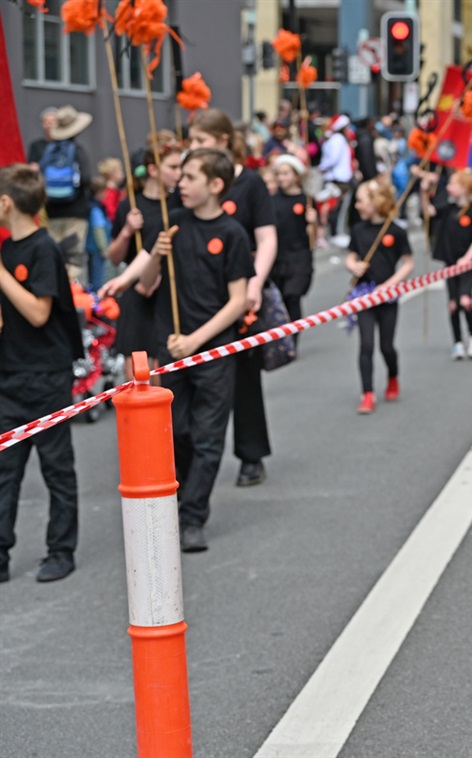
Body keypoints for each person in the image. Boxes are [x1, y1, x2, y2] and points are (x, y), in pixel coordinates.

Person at [135, 149, 253, 553]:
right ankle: (184, 497)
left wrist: (197, 340)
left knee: (208, 436)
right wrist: (156, 254)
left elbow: (238, 301)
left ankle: (191, 517)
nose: (179, 184)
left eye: (189, 177)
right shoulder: (174, 225)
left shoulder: (233, 233)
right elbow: (146, 283)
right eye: (179, 177)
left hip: (213, 349)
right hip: (171, 347)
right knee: (178, 431)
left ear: (215, 185)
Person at [0, 164, 85, 583]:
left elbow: (38, 312)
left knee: (56, 466)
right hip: (8, 375)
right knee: (4, 471)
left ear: (6, 203)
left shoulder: (42, 249)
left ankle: (61, 549)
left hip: (47, 374)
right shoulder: (5, 251)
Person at [188, 109, 278, 488]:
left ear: (223, 142)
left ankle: (250, 453)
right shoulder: (191, 186)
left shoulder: (250, 184)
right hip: (200, 292)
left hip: (238, 290)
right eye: (191, 142)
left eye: (201, 142)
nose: (193, 149)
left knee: (244, 376)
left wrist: (254, 284)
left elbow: (266, 237)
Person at [101, 132, 183, 360]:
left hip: (169, 289)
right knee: (136, 369)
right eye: (173, 167)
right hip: (136, 289)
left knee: (163, 368)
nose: (179, 174)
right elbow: (115, 258)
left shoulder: (180, 203)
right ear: (153, 170)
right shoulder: (130, 205)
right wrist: (127, 231)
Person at [344, 179, 414, 414]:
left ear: (376, 203)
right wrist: (353, 266)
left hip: (387, 297)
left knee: (386, 346)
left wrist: (389, 285)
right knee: (366, 345)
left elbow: (408, 263)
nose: (356, 206)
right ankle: (367, 394)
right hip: (364, 295)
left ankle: (393, 376)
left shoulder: (395, 231)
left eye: (360, 201)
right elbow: (350, 256)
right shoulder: (358, 230)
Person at [431, 168, 472, 360]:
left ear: (464, 188)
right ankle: (457, 342)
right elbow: (429, 212)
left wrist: (467, 258)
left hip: (466, 265)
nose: (448, 187)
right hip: (450, 263)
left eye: (452, 184)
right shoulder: (447, 209)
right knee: (453, 304)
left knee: (465, 300)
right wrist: (424, 192)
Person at [40, 106, 94, 284]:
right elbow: (86, 178)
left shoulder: (48, 152)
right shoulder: (78, 151)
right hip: (76, 213)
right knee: (75, 261)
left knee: (54, 259)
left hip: (53, 214)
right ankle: (77, 302)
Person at [268, 155, 315, 331]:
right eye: (279, 174)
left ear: (296, 175)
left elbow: (313, 236)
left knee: (293, 294)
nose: (281, 178)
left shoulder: (306, 200)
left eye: (286, 173)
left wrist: (313, 222)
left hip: (299, 254)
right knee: (281, 296)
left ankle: (294, 333)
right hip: (279, 255)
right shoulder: (272, 200)